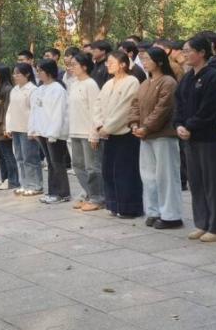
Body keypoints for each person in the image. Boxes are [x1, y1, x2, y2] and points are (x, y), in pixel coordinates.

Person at [174, 35, 216, 241]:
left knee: (214, 183)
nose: (185, 54)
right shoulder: (187, 77)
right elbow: (178, 104)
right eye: (184, 50)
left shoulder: (212, 76)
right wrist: (179, 125)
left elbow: (210, 109)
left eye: (188, 50)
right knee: (196, 182)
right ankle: (202, 223)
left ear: (202, 53)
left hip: (209, 138)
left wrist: (190, 125)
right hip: (190, 138)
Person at [133, 46, 182, 229]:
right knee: (148, 176)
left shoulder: (168, 82)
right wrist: (134, 124)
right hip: (145, 135)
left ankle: (171, 215)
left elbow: (163, 109)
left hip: (163, 135)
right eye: (143, 59)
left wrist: (146, 127)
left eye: (148, 59)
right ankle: (153, 211)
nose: (144, 63)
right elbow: (135, 105)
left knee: (166, 176)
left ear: (159, 61)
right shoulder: (145, 83)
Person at [98, 50, 143, 218]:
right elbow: (98, 105)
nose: (108, 65)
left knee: (126, 171)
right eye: (107, 62)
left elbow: (125, 109)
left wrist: (107, 127)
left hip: (124, 132)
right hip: (108, 132)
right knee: (108, 170)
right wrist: (99, 125)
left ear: (123, 64)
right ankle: (114, 204)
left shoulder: (132, 81)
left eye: (112, 62)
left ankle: (129, 207)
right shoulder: (108, 83)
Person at [67, 52, 105, 211]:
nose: (71, 67)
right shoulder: (74, 84)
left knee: (92, 167)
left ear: (84, 66)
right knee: (77, 166)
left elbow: (97, 110)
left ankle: (98, 198)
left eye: (74, 64)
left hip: (88, 132)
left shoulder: (91, 84)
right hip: (75, 131)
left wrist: (94, 133)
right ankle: (89, 194)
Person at [29, 59, 71, 204]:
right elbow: (34, 111)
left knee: (57, 163)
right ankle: (52, 191)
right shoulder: (39, 89)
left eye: (40, 70)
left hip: (55, 134)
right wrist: (33, 129)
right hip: (42, 132)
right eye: (37, 70)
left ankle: (62, 193)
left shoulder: (58, 89)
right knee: (50, 163)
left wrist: (53, 134)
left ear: (49, 72)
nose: (38, 73)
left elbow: (58, 113)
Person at [8, 63, 42, 196]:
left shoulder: (33, 90)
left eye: (18, 73)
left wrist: (33, 129)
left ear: (27, 74)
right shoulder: (14, 89)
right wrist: (9, 126)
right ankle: (24, 184)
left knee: (30, 158)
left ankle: (36, 185)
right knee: (20, 157)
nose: (15, 76)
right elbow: (10, 109)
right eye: (14, 73)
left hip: (27, 129)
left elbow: (35, 111)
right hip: (16, 128)